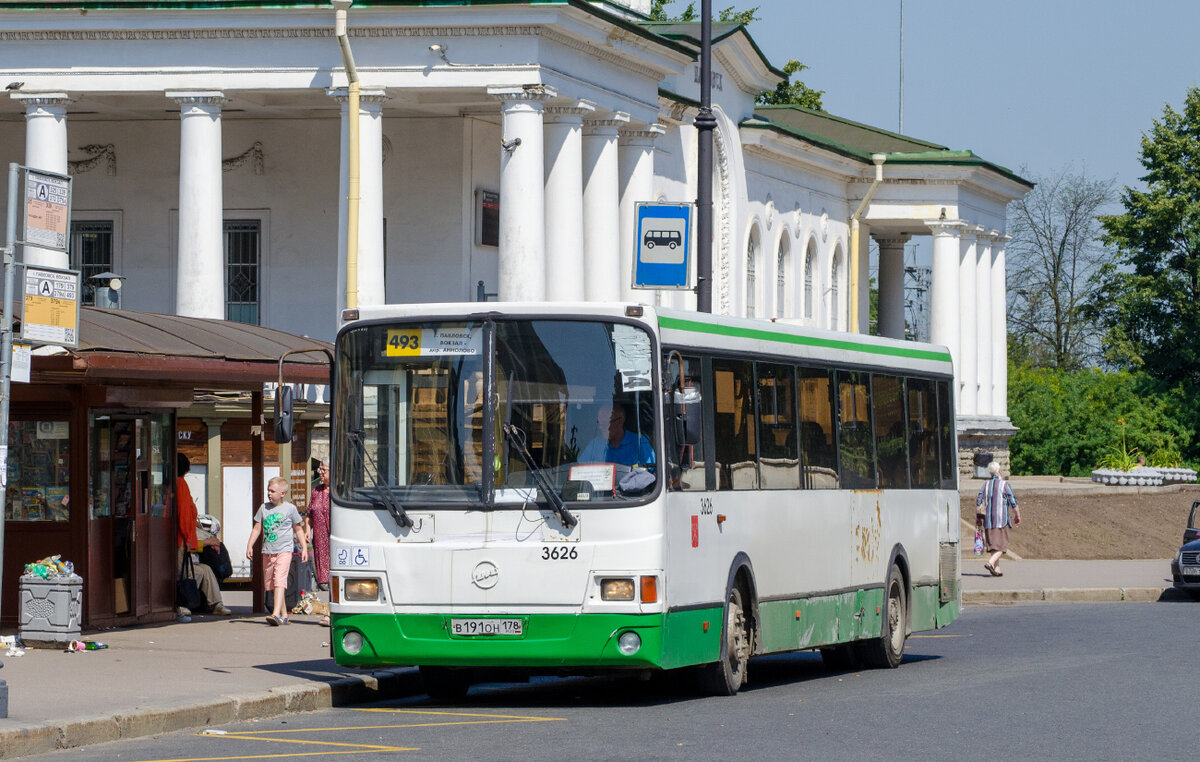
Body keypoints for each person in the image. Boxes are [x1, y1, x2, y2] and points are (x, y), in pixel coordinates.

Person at [247, 475, 309, 626]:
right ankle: (283, 615)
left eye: (272, 491)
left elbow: (298, 530)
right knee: (271, 584)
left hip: (284, 551)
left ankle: (274, 614)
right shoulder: (264, 508)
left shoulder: (290, 509)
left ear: (282, 493)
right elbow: (257, 528)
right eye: (268, 490)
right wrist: (249, 545)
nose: (269, 493)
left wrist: (304, 548)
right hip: (267, 551)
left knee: (279, 581)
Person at [176, 453, 232, 618]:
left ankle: (216, 604)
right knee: (183, 572)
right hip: (181, 539)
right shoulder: (181, 484)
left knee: (205, 570)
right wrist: (188, 538)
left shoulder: (176, 484)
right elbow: (185, 515)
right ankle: (181, 603)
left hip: (184, 537)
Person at [976, 460, 1021, 577]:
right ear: (1000, 471)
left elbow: (979, 502)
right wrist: (1017, 515)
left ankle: (997, 569)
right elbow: (1013, 502)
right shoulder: (1005, 485)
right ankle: (990, 563)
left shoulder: (985, 485)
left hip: (988, 521)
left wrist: (978, 518)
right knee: (1002, 545)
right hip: (1001, 520)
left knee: (994, 545)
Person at [578, 402, 655, 467]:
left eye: (605, 423)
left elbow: (651, 471)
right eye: (599, 423)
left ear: (619, 421)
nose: (601, 428)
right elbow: (580, 469)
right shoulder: (595, 445)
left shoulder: (639, 442)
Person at [309, 459, 331, 625]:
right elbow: (310, 514)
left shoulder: (340, 491)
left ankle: (331, 613)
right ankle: (330, 612)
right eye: (319, 469)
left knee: (336, 576)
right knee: (327, 579)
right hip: (320, 541)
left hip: (336, 541)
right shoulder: (316, 491)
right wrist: (306, 531)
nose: (319, 472)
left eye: (323, 469)